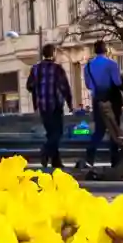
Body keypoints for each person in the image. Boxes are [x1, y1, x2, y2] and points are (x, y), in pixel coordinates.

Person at [29, 43, 73, 171]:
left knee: (51, 133)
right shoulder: (57, 68)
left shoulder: (35, 69)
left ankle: (56, 161)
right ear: (53, 53)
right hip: (55, 105)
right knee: (57, 133)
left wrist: (37, 92)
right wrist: (69, 103)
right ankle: (46, 150)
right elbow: (65, 87)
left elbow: (29, 86)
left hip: (42, 105)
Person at [82, 39, 123, 169]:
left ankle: (90, 157)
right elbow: (117, 82)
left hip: (97, 100)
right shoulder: (111, 64)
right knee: (114, 130)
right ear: (106, 50)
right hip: (111, 100)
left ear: (94, 51)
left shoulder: (88, 66)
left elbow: (88, 85)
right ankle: (115, 160)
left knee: (99, 131)